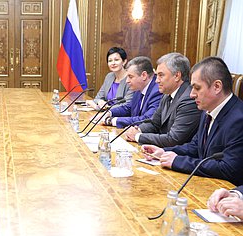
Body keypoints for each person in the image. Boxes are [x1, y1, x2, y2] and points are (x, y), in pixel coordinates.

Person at [142, 57, 243, 186]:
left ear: (217, 86)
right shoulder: (207, 111)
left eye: (197, 88)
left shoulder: (238, 119)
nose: (192, 94)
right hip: (205, 184)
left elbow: (228, 168)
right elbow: (195, 146)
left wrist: (177, 161)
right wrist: (165, 152)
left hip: (226, 193)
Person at [126, 52, 201, 147]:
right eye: (157, 75)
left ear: (177, 76)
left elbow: (174, 139)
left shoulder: (189, 99)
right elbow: (154, 123)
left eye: (161, 75)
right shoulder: (167, 94)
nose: (156, 80)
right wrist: (138, 129)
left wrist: (138, 136)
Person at [100, 56, 162, 128]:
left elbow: (147, 119)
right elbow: (129, 108)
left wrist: (113, 121)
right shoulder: (139, 88)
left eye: (130, 77)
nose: (127, 81)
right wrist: (109, 113)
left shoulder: (157, 91)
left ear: (144, 75)